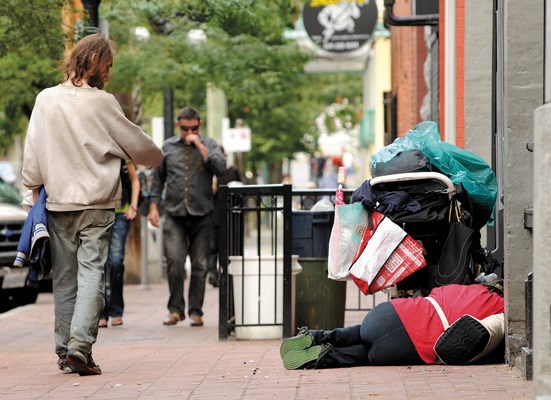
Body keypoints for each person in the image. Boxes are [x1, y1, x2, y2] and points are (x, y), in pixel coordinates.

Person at [21, 33, 164, 376]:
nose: (110, 74)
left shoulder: (45, 99)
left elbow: (33, 152)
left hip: (58, 202)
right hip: (97, 203)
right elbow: (142, 148)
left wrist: (32, 190)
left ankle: (63, 348)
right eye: (109, 66)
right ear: (98, 64)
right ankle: (80, 347)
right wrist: (155, 156)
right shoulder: (103, 102)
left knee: (65, 278)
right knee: (90, 276)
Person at [280, 283, 504, 370]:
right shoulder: (501, 310)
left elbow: (435, 292)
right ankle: (323, 356)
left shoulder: (467, 289)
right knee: (367, 355)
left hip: (385, 314)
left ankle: (317, 336)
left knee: (361, 331)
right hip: (406, 346)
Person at [148, 106, 226, 327]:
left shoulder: (210, 145)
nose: (188, 132)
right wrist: (153, 207)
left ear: (199, 125)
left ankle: (195, 311)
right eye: (184, 128)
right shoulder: (167, 148)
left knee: (200, 265)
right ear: (178, 126)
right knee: (174, 262)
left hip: (202, 213)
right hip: (174, 213)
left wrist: (200, 145)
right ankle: (175, 309)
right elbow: (157, 180)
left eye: (193, 128)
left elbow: (221, 168)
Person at [98, 160, 140, 328]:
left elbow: (135, 180)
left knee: (115, 262)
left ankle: (116, 309)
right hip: (98, 214)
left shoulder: (124, 155)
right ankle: (101, 312)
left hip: (120, 214)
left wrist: (134, 205)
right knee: (98, 264)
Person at [208, 147, 242, 287]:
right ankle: (213, 274)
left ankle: (226, 275)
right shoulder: (209, 172)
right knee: (212, 247)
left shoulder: (232, 171)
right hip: (213, 215)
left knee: (227, 246)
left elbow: (241, 191)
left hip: (229, 216)